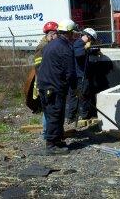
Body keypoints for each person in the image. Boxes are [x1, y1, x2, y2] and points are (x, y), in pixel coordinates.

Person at [37, 19, 77, 155]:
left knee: (53, 114)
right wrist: (75, 88)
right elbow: (70, 72)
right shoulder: (65, 48)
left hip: (44, 85)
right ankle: (51, 145)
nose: (73, 36)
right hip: (53, 87)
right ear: (69, 33)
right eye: (72, 33)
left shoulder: (51, 44)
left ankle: (57, 139)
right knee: (55, 114)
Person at [66, 28, 99, 126]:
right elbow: (78, 54)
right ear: (88, 37)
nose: (91, 42)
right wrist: (86, 48)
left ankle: (72, 116)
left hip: (79, 74)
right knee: (83, 95)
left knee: (77, 95)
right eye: (91, 40)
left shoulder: (80, 44)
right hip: (79, 75)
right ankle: (82, 116)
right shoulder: (78, 43)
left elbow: (85, 52)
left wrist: (94, 51)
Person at [33, 21, 58, 139]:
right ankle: (46, 133)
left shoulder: (49, 45)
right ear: (51, 34)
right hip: (45, 82)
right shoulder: (42, 47)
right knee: (48, 107)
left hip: (48, 80)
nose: (57, 37)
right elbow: (38, 66)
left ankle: (49, 132)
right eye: (56, 34)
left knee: (50, 107)